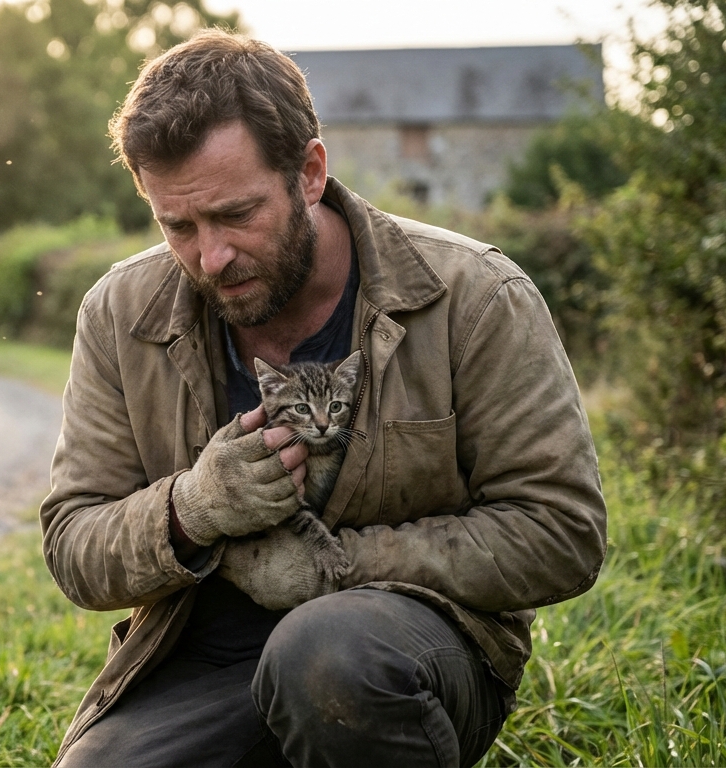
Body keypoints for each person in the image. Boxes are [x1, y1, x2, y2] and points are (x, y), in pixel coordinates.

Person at [40, 30, 607, 768]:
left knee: (328, 657)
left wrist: (338, 568)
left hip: (400, 653)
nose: (210, 257)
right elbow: (73, 544)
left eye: (237, 214)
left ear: (309, 172)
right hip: (204, 662)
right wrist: (192, 507)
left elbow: (562, 532)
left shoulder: (475, 297)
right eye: (178, 225)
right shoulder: (119, 313)